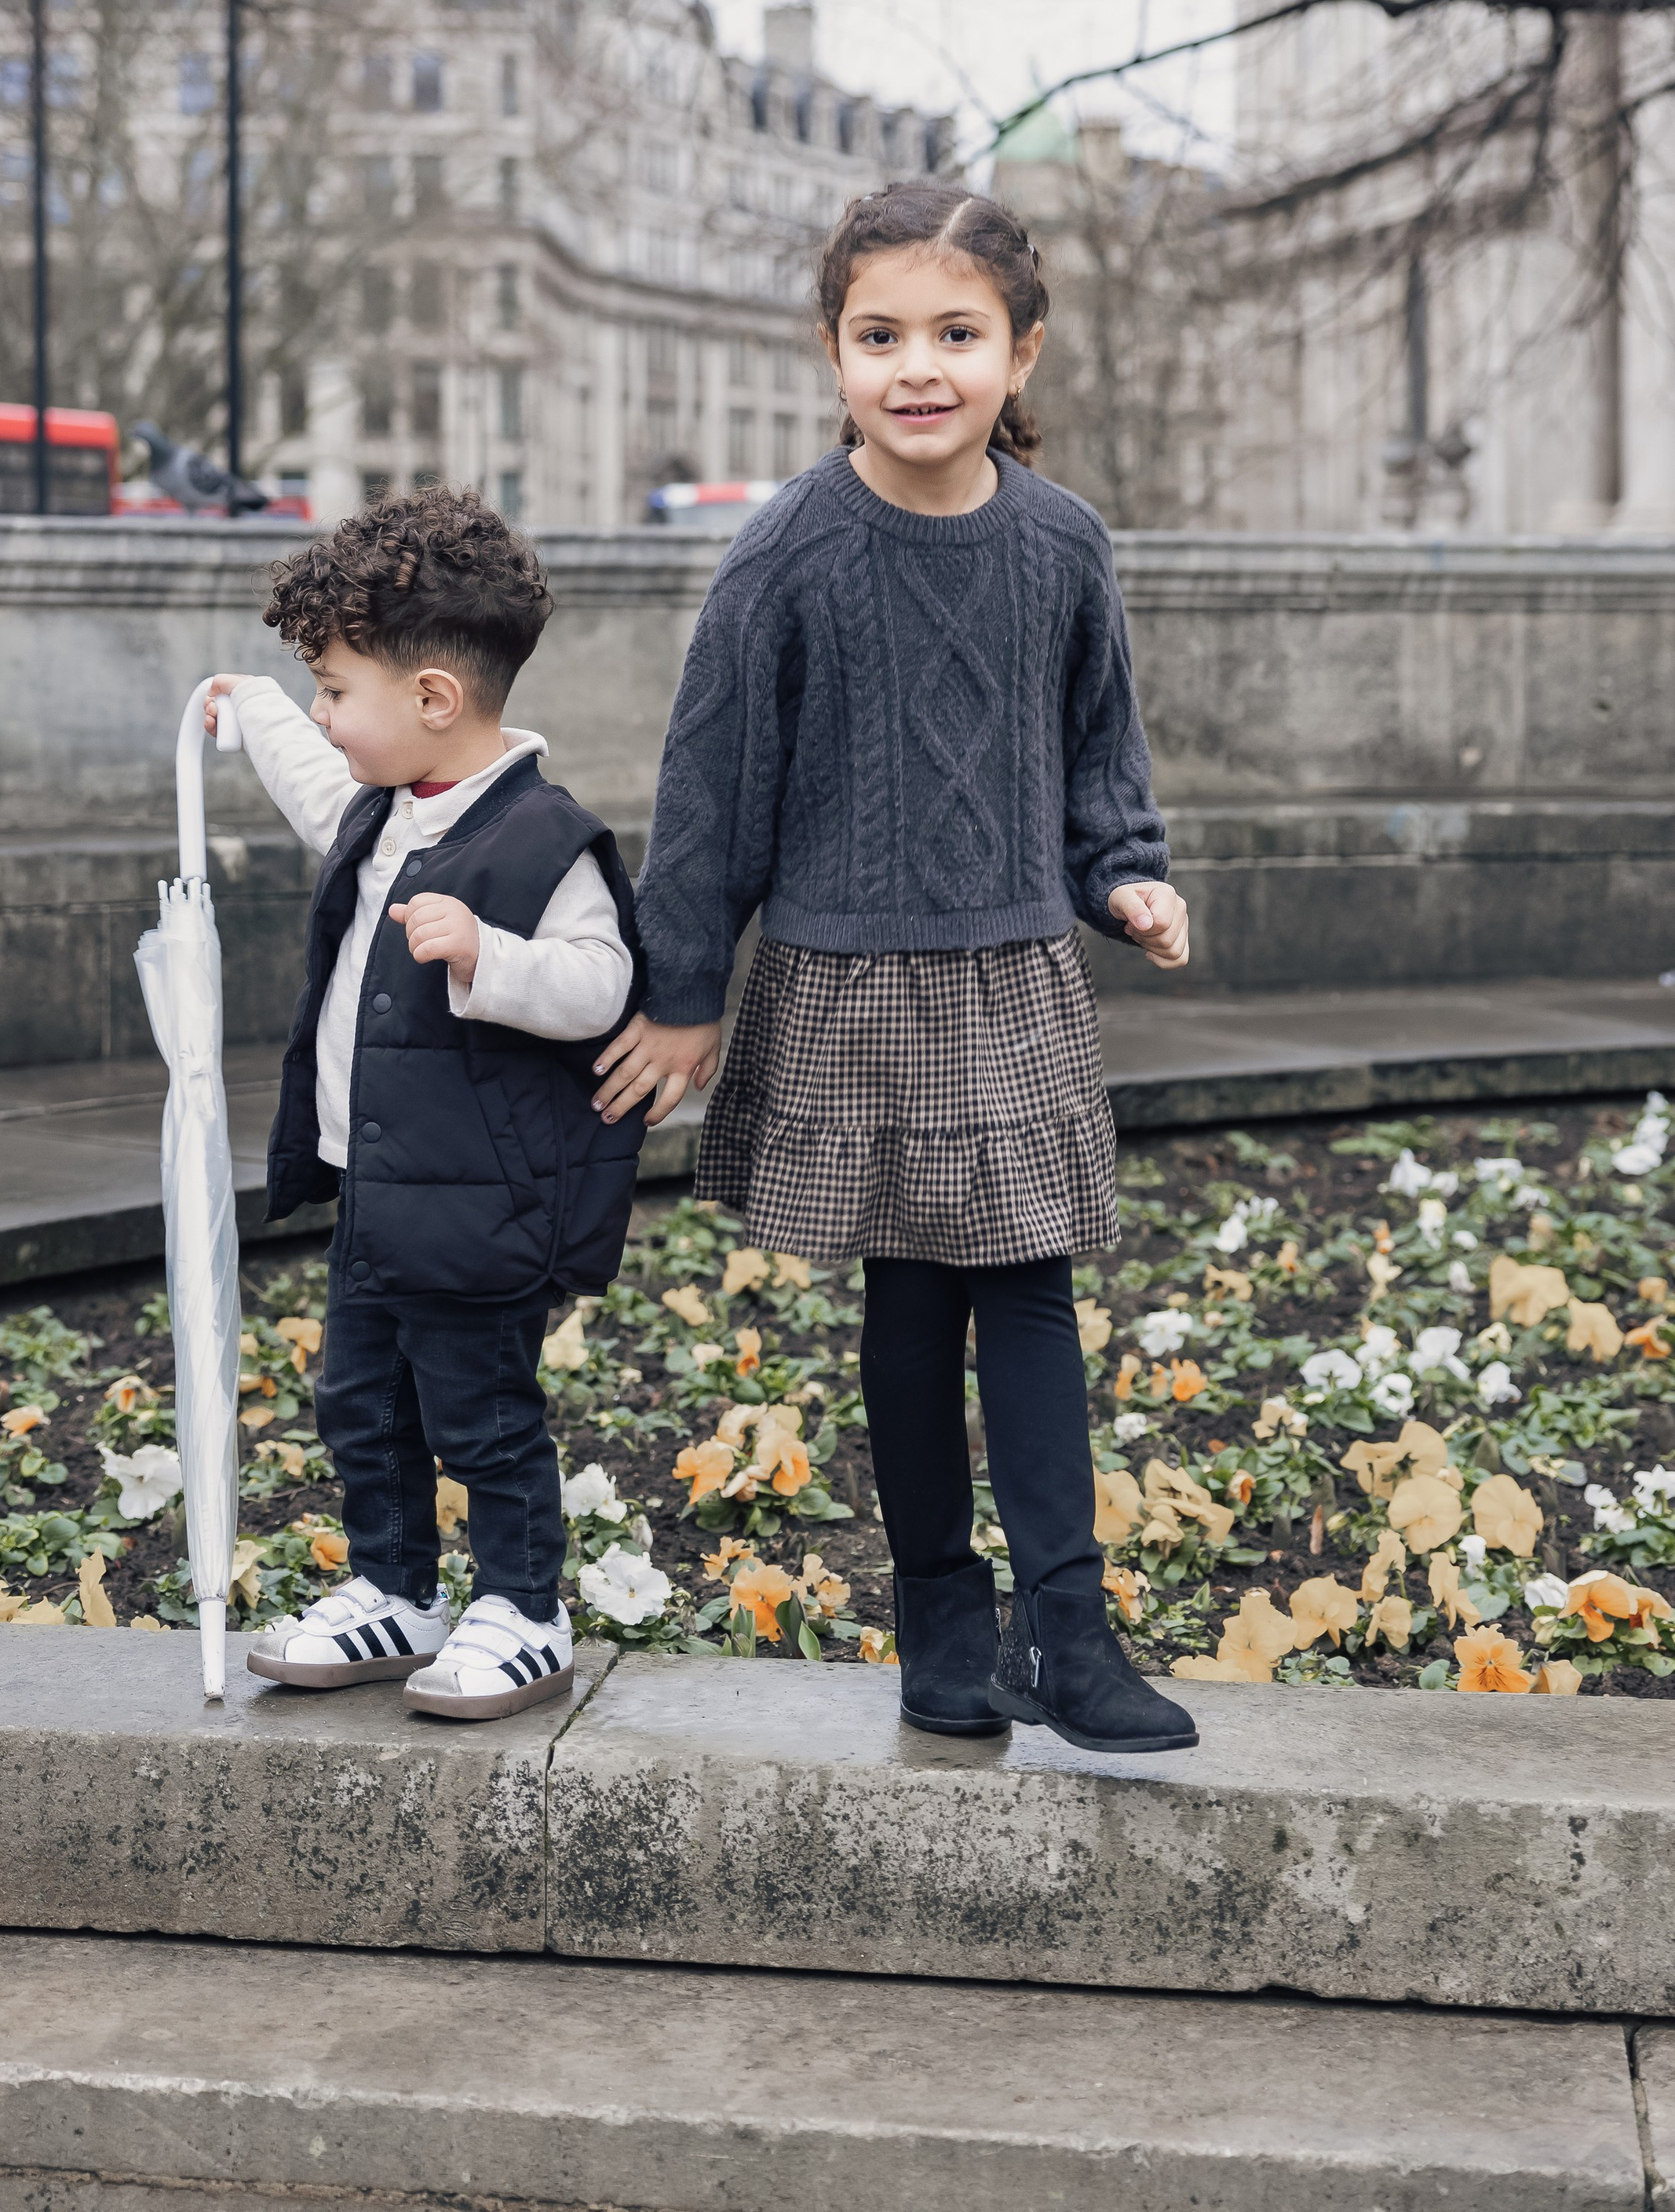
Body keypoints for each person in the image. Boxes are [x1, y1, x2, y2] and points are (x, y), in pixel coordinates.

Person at [593, 181, 1198, 1754]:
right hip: (852, 986)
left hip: (1006, 979)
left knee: (1030, 1292)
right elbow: (707, 785)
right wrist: (680, 991)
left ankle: (1068, 1627)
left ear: (1020, 351)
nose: (915, 368)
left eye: (953, 334)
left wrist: (1123, 875)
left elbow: (1092, 748)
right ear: (830, 352)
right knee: (911, 1309)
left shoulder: (1061, 544)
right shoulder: (786, 553)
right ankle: (941, 1626)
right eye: (879, 337)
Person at [205, 485, 646, 1719]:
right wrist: (261, 708)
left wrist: (484, 958)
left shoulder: (544, 839)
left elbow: (602, 983)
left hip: (485, 1207)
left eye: (341, 691)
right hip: (375, 1189)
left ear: (434, 701)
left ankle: (524, 1610)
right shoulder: (383, 810)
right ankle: (394, 1589)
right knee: (361, 1399)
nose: (332, 718)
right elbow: (313, 781)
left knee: (485, 1414)